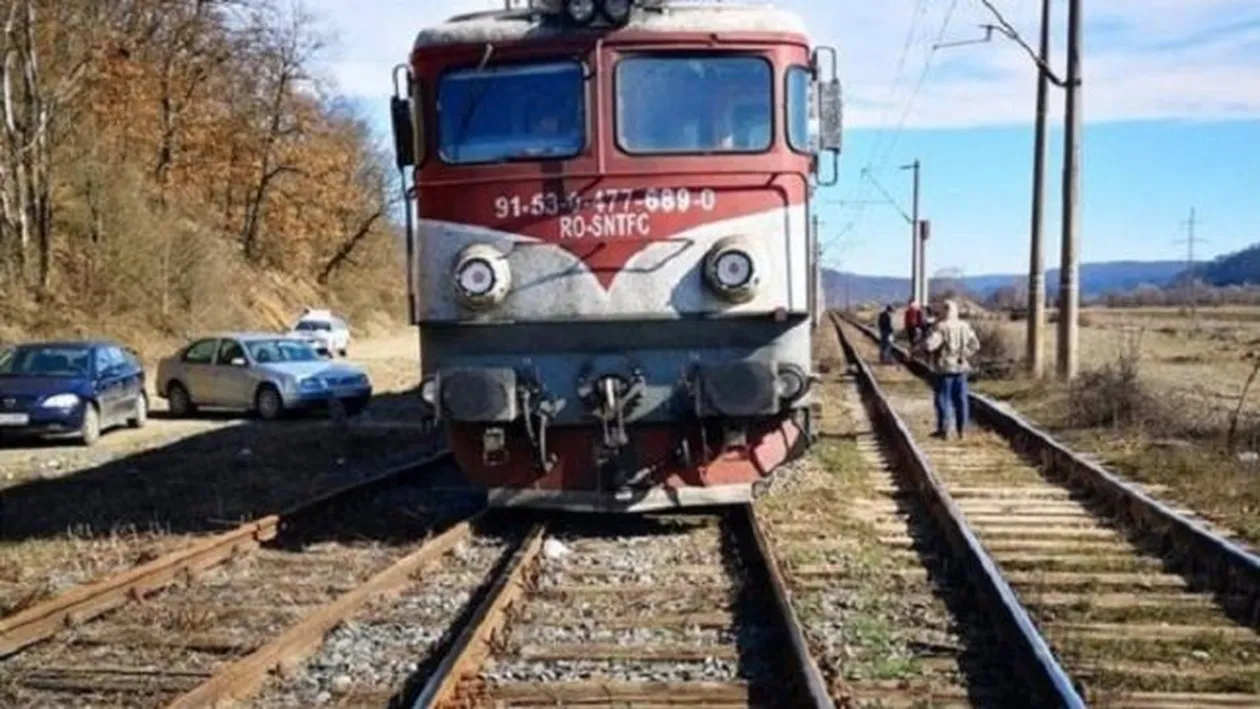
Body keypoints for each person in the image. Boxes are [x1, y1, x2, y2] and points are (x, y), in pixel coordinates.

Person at [921, 299, 981, 439]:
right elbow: (975, 345)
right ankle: (962, 430)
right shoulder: (965, 326)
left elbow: (930, 345)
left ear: (944, 311)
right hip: (961, 366)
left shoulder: (941, 327)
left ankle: (945, 429)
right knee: (961, 399)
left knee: (943, 399)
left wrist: (925, 339)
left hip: (945, 367)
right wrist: (964, 354)